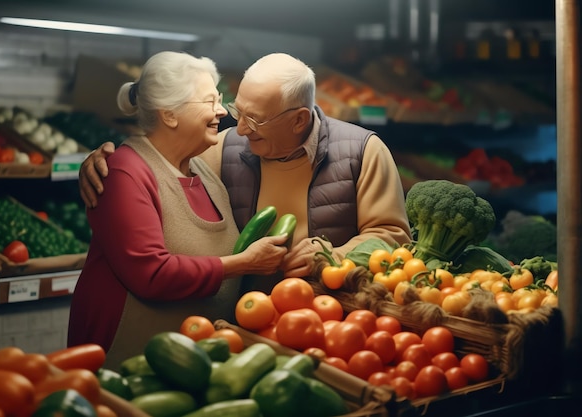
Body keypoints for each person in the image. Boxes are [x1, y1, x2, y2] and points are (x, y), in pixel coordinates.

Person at [79, 52, 411, 294]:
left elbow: (392, 236)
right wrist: (104, 160)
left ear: (298, 119)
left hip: (330, 319)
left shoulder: (363, 151)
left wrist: (331, 256)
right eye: (238, 110)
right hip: (246, 320)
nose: (239, 128)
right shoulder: (223, 147)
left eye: (255, 120)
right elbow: (162, 163)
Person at [68, 51, 288, 369]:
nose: (220, 112)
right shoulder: (124, 171)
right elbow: (152, 274)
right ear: (169, 114)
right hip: (128, 364)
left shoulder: (205, 168)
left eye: (220, 99)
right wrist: (243, 263)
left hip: (191, 366)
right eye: (209, 101)